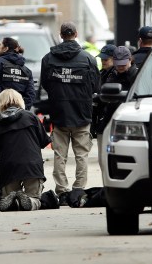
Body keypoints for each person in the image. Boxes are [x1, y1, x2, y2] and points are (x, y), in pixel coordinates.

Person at [40, 21, 99, 205]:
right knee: (81, 155)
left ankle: (62, 191)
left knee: (60, 155)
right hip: (82, 113)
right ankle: (79, 190)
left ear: (61, 34)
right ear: (76, 33)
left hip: (59, 113)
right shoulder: (88, 58)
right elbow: (95, 86)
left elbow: (45, 84)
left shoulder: (48, 59)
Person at [0, 36, 36, 205]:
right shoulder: (25, 69)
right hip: (20, 117)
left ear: (6, 48)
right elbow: (30, 94)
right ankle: (17, 190)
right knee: (18, 152)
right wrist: (21, 111)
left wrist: (3, 106)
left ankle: (1, 194)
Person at [0, 89, 52, 212]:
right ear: (20, 101)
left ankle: (13, 201)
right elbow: (44, 141)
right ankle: (30, 202)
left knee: (9, 198)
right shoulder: (31, 117)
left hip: (9, 167)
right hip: (32, 165)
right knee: (35, 198)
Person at [97, 46, 139, 135]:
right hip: (111, 119)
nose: (120, 67)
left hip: (131, 120)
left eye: (123, 64)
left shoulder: (137, 76)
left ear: (130, 59)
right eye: (118, 64)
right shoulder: (112, 75)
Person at [91, 44, 116, 138]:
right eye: (101, 59)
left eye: (106, 60)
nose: (103, 62)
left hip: (109, 117)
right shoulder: (102, 73)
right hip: (100, 117)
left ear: (114, 59)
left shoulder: (115, 74)